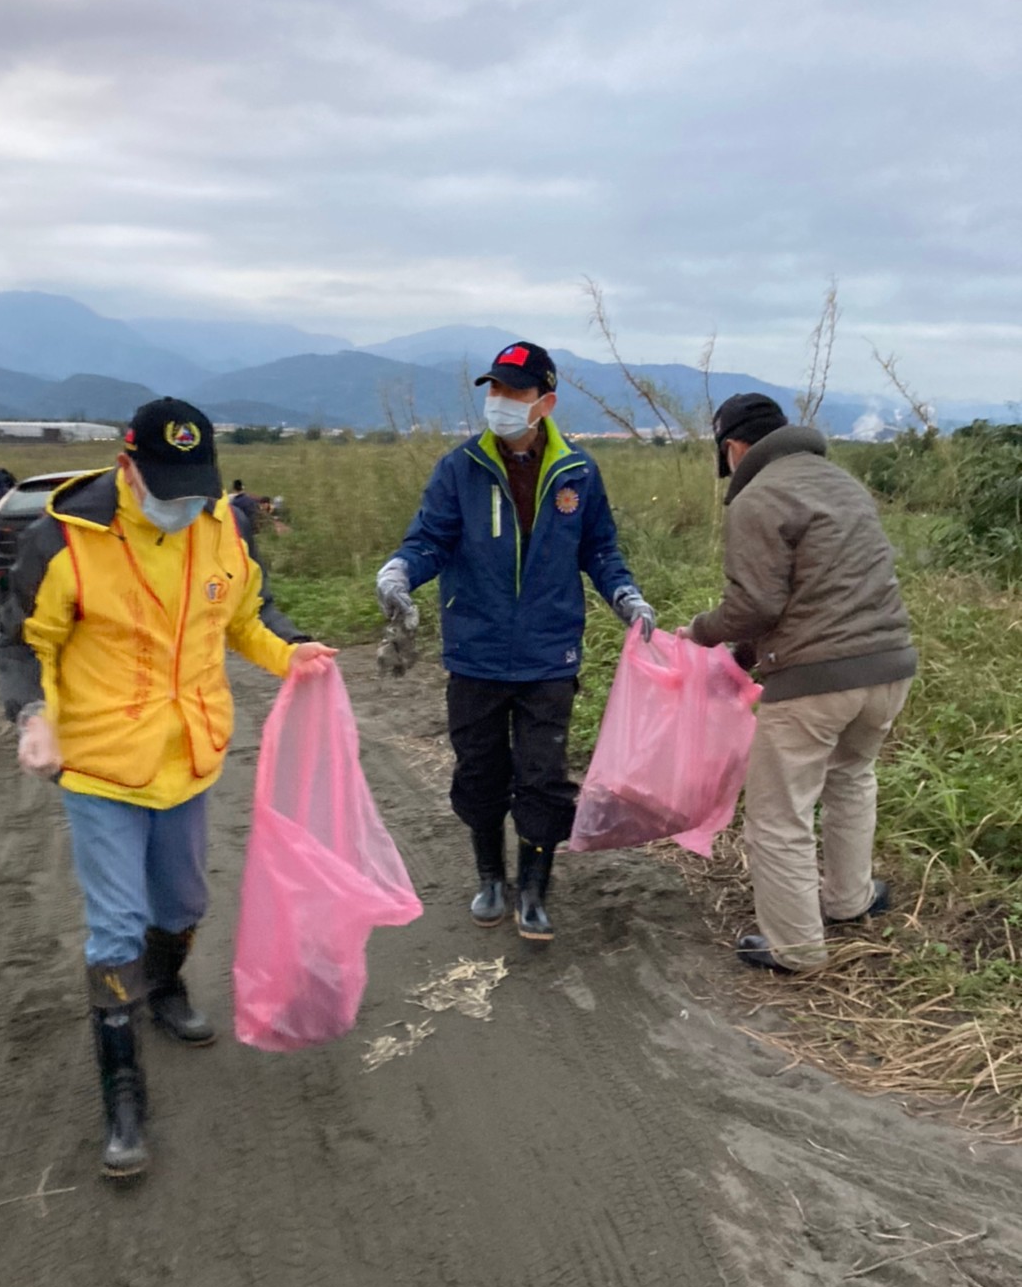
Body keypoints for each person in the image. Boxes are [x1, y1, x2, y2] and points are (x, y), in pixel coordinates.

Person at [0, 397, 336, 1179]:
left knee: (182, 904)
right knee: (115, 926)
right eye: (169, 488)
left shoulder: (223, 527)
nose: (185, 504)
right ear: (128, 465)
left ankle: (167, 986)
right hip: (101, 765)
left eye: (197, 488)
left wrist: (293, 654)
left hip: (188, 756)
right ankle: (123, 1092)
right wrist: (32, 716)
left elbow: (250, 615)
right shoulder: (64, 542)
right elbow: (22, 640)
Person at [376, 340, 655, 944]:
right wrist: (399, 571)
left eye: (514, 391)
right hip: (475, 650)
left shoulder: (577, 472)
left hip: (548, 654)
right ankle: (490, 877)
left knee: (542, 776)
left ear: (545, 402)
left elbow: (600, 551)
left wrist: (626, 597)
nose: (499, 401)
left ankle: (533, 888)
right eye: (494, 389)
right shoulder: (460, 468)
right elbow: (431, 539)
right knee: (479, 770)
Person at [682, 394, 917, 973]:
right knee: (851, 779)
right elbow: (817, 587)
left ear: (734, 448)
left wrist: (700, 634)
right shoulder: (843, 483)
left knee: (779, 813)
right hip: (889, 665)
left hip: (815, 680)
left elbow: (756, 604)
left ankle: (795, 948)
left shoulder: (758, 497)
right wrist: (745, 649)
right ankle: (849, 900)